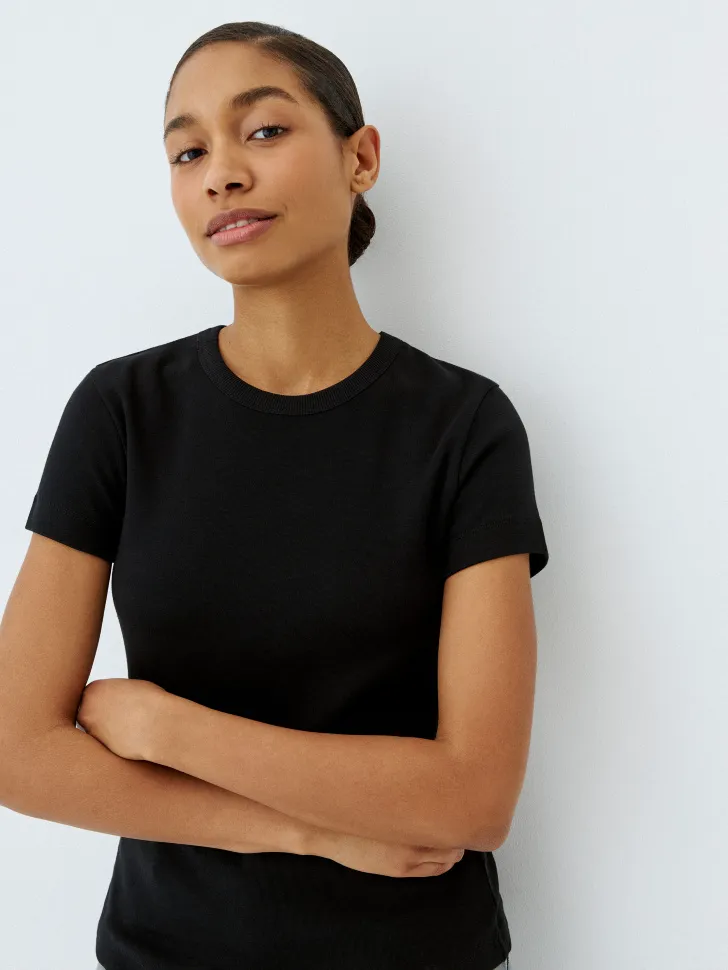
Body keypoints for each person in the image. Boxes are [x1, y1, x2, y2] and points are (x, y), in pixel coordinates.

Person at [0, 20, 548, 970]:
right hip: (166, 951)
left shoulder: (464, 426)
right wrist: (309, 833)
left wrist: (168, 728)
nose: (221, 174)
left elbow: (473, 798)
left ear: (360, 158)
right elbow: (17, 752)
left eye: (263, 131)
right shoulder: (122, 412)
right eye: (188, 152)